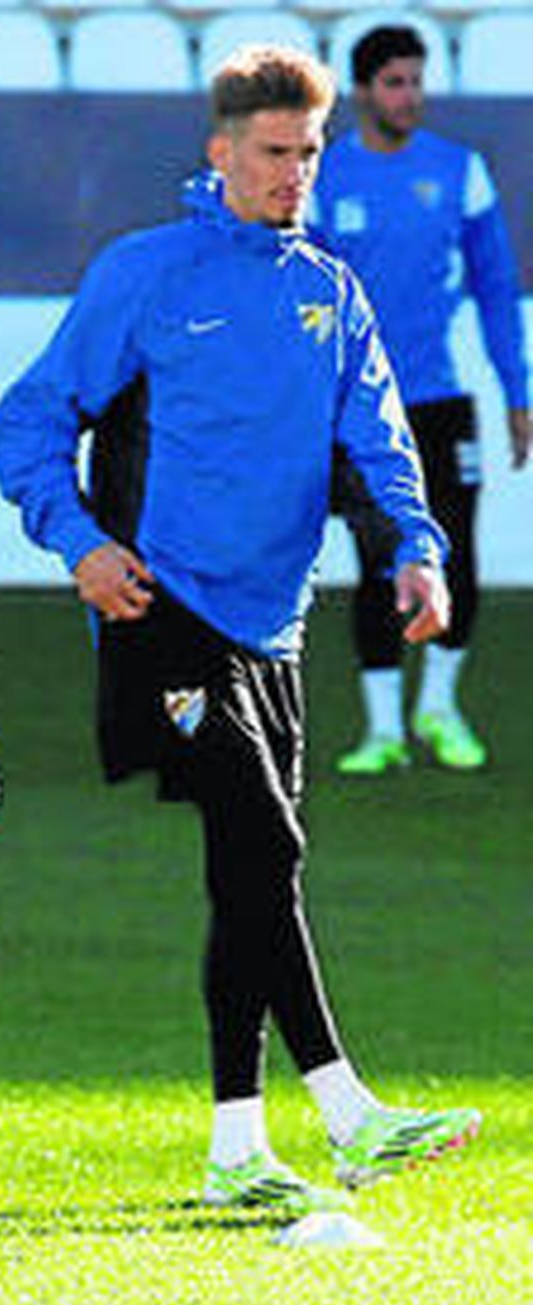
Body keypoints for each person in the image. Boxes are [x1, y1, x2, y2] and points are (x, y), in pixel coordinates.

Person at [0, 46, 479, 1212]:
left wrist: (417, 549)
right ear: (219, 152)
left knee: (245, 873)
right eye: (271, 152)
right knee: (266, 846)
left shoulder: (329, 290)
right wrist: (80, 545)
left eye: (307, 153)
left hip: (276, 626)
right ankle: (351, 1114)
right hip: (164, 612)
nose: (291, 174)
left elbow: (377, 440)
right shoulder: (147, 274)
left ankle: (234, 1146)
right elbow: (30, 418)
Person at [313, 24, 529, 774]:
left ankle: (438, 708)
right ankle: (381, 731)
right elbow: (298, 303)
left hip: (439, 403)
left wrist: (517, 391)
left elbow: (497, 291)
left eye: (416, 81)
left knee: (456, 558)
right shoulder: (325, 178)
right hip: (359, 411)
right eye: (395, 82)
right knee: (376, 560)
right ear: (364, 90)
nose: (410, 96)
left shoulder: (459, 172)